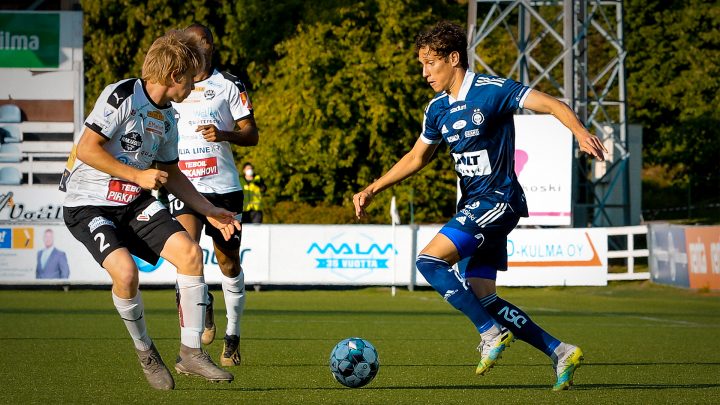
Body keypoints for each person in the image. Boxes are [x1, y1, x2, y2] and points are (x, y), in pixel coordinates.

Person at [352, 21, 607, 391]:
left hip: (498, 199)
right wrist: (373, 188)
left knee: (429, 261)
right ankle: (559, 351)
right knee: (482, 295)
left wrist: (581, 133)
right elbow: (416, 157)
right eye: (421, 64)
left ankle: (491, 334)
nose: (424, 73)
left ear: (453, 59)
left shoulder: (492, 91)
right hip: (475, 203)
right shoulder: (437, 108)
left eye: (430, 63)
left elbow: (552, 104)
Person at [60, 30, 240, 390]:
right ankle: (146, 352)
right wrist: (137, 175)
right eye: (190, 78)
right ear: (175, 76)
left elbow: (172, 173)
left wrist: (209, 210)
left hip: (132, 200)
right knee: (125, 274)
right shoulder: (121, 95)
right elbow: (87, 150)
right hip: (87, 201)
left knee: (190, 254)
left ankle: (190, 354)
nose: (193, 85)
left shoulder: (168, 117)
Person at [167, 23, 258, 367]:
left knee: (227, 261)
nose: (200, 47)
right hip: (185, 187)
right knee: (185, 253)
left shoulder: (228, 85)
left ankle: (232, 336)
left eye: (202, 42)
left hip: (224, 188)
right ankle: (200, 316)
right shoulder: (173, 84)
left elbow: (251, 134)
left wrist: (223, 134)